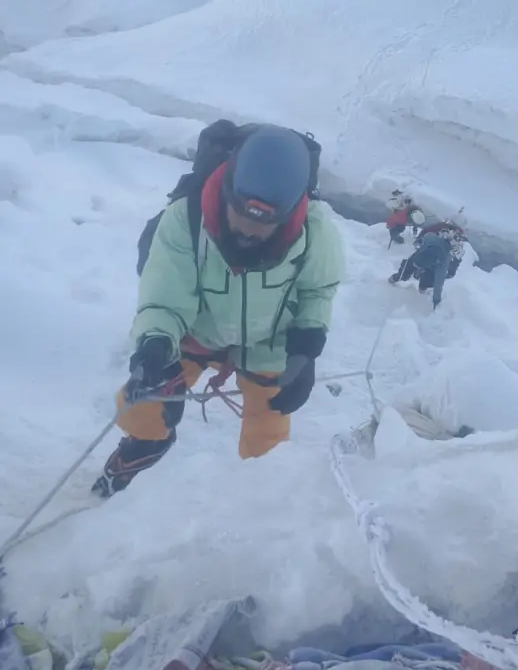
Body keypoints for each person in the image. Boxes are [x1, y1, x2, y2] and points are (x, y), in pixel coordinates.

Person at [92, 125, 344, 498]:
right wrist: (155, 343)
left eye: (263, 224)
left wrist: (306, 349)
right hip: (196, 331)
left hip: (267, 343)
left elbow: (317, 290)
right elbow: (165, 294)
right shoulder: (186, 218)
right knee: (138, 403)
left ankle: (260, 499)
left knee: (269, 437)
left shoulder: (315, 230)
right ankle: (147, 444)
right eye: (240, 213)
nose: (246, 230)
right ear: (227, 190)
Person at [389, 221, 467, 307]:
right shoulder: (432, 243)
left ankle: (418, 286)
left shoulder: (440, 259)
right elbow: (439, 283)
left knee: (421, 275)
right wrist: (436, 302)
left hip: (432, 255)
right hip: (428, 256)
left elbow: (439, 283)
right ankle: (416, 286)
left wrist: (436, 301)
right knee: (413, 274)